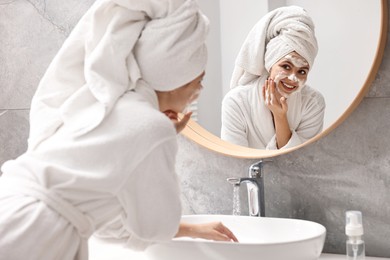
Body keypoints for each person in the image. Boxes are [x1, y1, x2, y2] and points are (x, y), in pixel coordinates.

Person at [0, 0, 238, 259]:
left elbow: (110, 225)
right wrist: (165, 135)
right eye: (198, 80)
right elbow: (156, 224)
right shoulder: (151, 126)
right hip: (33, 232)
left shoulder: (104, 106)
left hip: (14, 212)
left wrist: (193, 228)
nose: (199, 92)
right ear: (174, 79)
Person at [221, 6, 325, 150]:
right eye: (286, 66)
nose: (293, 78)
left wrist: (280, 116)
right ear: (270, 64)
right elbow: (234, 160)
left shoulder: (312, 103)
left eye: (302, 71)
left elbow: (300, 160)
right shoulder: (237, 101)